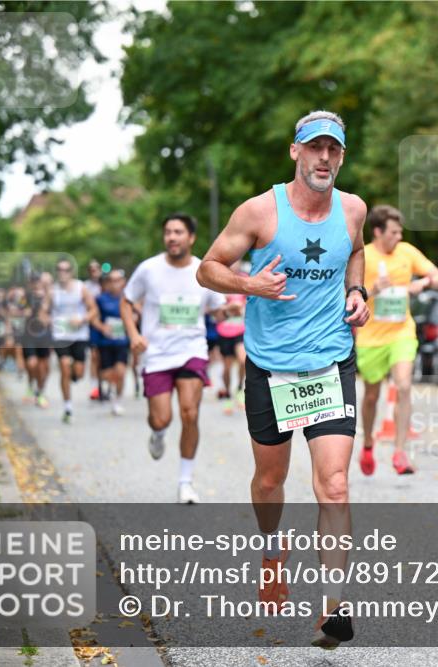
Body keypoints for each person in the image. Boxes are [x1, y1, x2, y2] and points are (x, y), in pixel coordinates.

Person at [197, 110, 370, 649]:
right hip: (271, 367)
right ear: (294, 151)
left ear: (342, 156)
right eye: (315, 148)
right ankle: (272, 548)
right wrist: (251, 285)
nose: (324, 158)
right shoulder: (259, 212)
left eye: (334, 150)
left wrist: (358, 293)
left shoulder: (354, 210)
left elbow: (357, 253)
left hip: (331, 362)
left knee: (335, 484)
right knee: (270, 481)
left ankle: (334, 605)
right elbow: (208, 268)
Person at [120, 213, 231, 504]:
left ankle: (185, 482)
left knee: (190, 413)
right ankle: (157, 434)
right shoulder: (148, 269)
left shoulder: (204, 271)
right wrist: (133, 335)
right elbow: (127, 300)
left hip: (191, 351)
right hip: (156, 354)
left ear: (191, 238)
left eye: (178, 232)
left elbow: (217, 310)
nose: (172, 237)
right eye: (168, 232)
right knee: (161, 419)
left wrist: (229, 311)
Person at [356, 205, 438, 475]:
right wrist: (372, 290)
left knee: (404, 385)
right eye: (394, 232)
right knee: (372, 396)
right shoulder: (364, 255)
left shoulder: (407, 252)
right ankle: (368, 444)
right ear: (378, 232)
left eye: (400, 232)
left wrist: (426, 282)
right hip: (370, 337)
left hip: (401, 332)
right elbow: (347, 295)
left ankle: (399, 452)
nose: (399, 237)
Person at [50, 259, 97, 423]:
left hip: (79, 335)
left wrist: (83, 319)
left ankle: (72, 375)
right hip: (60, 336)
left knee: (78, 373)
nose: (63, 272)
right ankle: (68, 407)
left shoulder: (81, 288)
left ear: (71, 272)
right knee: (64, 365)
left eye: (66, 269)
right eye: (59, 269)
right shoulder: (52, 291)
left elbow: (93, 310)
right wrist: (48, 321)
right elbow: (43, 313)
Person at [90, 269, 130, 416]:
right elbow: (93, 319)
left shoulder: (128, 298)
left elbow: (138, 315)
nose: (115, 284)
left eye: (118, 280)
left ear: (123, 282)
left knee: (121, 372)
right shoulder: (100, 299)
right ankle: (111, 389)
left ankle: (117, 400)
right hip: (105, 342)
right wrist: (102, 328)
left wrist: (132, 322)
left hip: (121, 342)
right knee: (107, 374)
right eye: (111, 280)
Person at [215, 261, 248, 414]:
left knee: (243, 361)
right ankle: (228, 395)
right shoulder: (221, 280)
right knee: (227, 368)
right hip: (224, 330)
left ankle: (240, 390)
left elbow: (250, 301)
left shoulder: (245, 279)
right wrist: (229, 307)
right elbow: (216, 309)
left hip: (240, 330)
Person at [21, 273, 52, 407]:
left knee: (43, 366)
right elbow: (19, 310)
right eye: (33, 281)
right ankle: (31, 385)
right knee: (32, 364)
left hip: (45, 336)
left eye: (38, 281)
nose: (36, 284)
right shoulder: (26, 297)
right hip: (29, 335)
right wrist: (24, 312)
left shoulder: (49, 297)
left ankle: (40, 392)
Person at [85, 260, 103, 399]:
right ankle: (94, 387)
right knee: (95, 356)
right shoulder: (86, 287)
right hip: (93, 324)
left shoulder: (106, 284)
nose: (94, 271)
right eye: (92, 269)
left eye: (96, 268)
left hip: (107, 323)